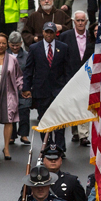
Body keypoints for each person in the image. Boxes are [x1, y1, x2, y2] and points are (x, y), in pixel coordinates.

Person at [22, 22, 72, 151]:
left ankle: (60, 148)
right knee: (43, 119)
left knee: (60, 120)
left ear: (56, 33)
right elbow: (29, 70)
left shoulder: (64, 47)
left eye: (51, 32)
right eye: (47, 32)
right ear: (43, 32)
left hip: (58, 90)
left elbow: (68, 70)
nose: (49, 34)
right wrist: (26, 88)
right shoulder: (34, 48)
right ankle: (47, 146)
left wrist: (68, 87)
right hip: (41, 89)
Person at [59, 10, 94, 146]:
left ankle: (84, 135)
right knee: (73, 105)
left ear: (86, 22)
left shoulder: (91, 37)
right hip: (70, 76)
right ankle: (75, 132)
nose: (80, 23)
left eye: (82, 20)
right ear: (74, 22)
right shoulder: (65, 36)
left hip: (87, 76)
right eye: (78, 20)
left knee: (84, 104)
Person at [8, 32, 31, 145]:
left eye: (17, 45)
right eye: (13, 45)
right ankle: (11, 136)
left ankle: (24, 135)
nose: (15, 47)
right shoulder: (4, 55)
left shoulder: (27, 55)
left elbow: (30, 72)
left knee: (24, 111)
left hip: (23, 88)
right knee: (10, 112)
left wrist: (29, 88)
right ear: (9, 44)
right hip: (8, 89)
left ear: (21, 43)